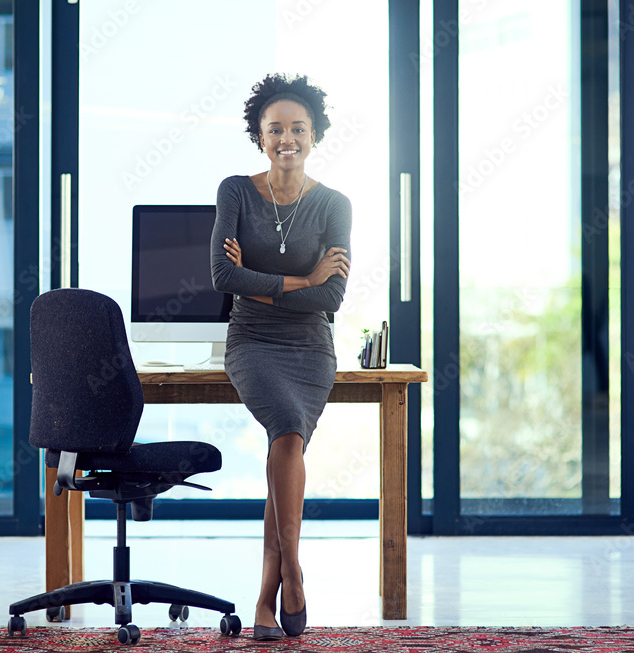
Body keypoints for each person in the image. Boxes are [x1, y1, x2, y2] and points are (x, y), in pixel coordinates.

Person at [210, 73, 351, 641]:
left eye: (297, 128)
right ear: (259, 136)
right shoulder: (235, 192)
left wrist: (261, 280)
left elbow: (331, 295)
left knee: (285, 443)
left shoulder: (335, 204)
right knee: (287, 432)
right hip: (252, 342)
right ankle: (293, 571)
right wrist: (301, 277)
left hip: (310, 347)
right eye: (275, 129)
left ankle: (267, 601)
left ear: (314, 135)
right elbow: (222, 277)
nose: (286, 138)